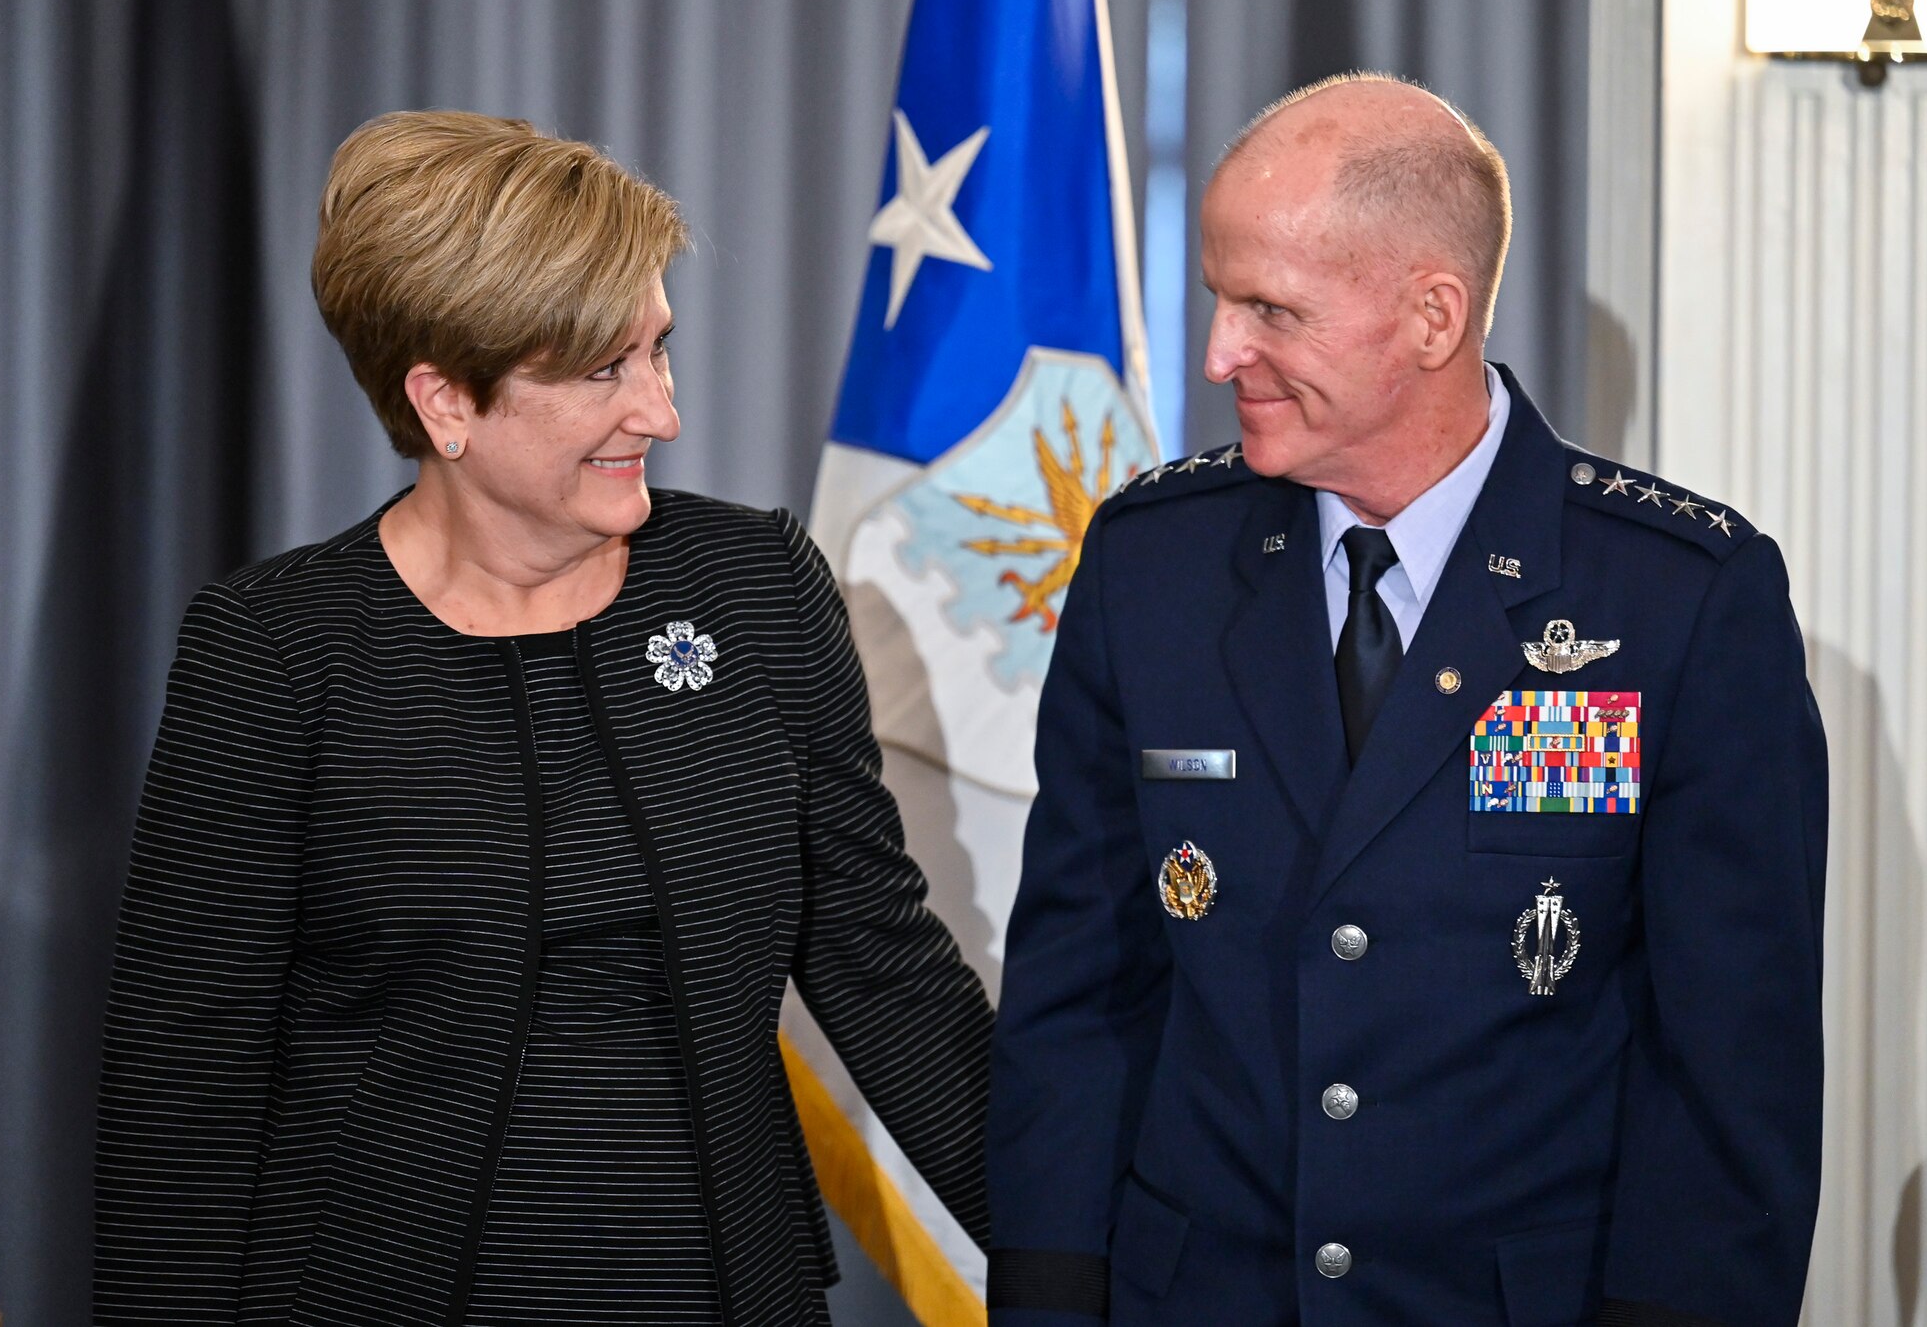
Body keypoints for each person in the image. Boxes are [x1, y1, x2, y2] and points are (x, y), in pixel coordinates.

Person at [94, 109, 992, 1326]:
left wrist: (1100, 1263)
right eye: (603, 371)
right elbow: (184, 1085)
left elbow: (884, 971)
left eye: (660, 350)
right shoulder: (275, 648)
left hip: (728, 1291)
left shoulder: (755, 584)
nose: (662, 412)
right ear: (444, 402)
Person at [985, 74, 1826, 1326]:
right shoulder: (1151, 561)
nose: (1219, 352)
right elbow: (1077, 991)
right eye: (1220, 299)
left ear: (1432, 316)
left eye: (1270, 309)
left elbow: (1726, 1073)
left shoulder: (1679, 598)